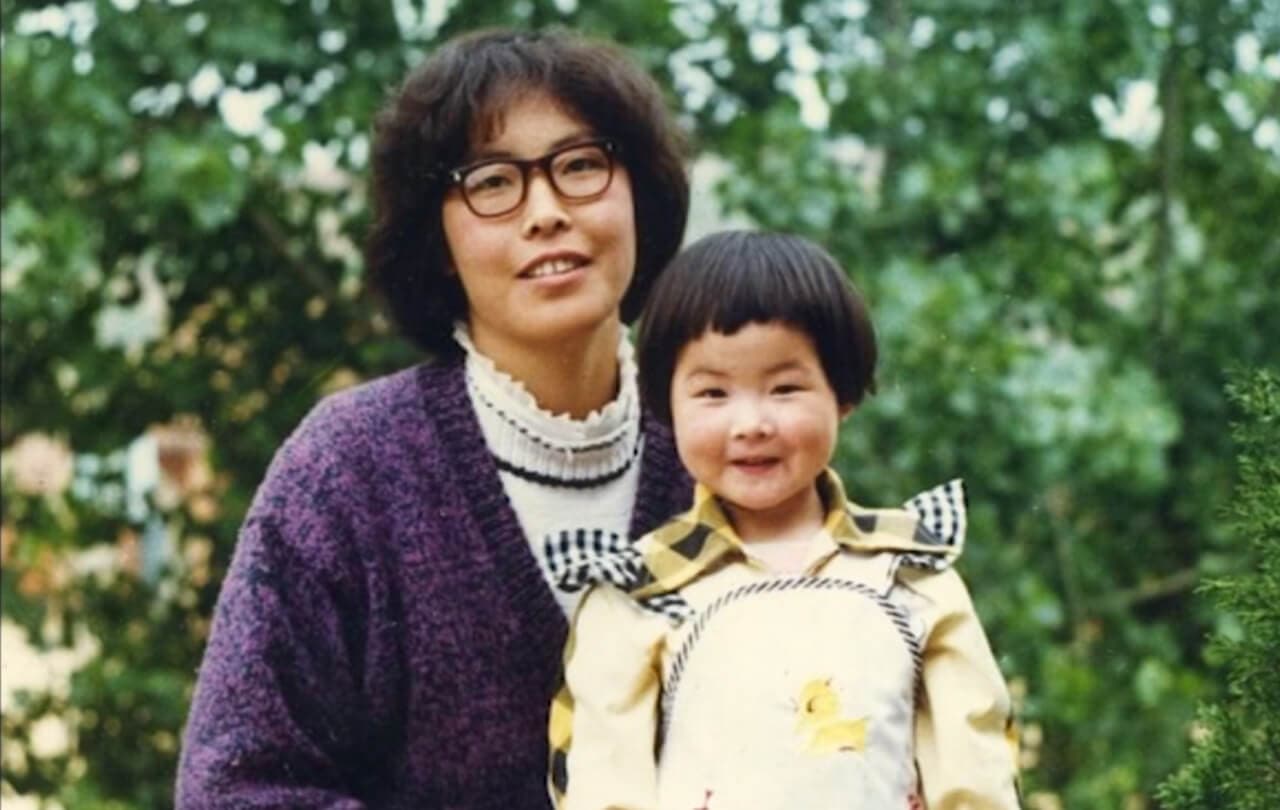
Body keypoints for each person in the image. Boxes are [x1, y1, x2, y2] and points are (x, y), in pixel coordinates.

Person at [176, 28, 692, 808]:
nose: (546, 211)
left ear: (641, 197)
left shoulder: (733, 445)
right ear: (439, 239)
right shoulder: (346, 470)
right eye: (492, 182)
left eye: (581, 165)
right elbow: (236, 788)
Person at [548, 231, 1020, 810]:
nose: (750, 423)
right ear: (666, 404)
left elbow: (977, 769)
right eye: (713, 393)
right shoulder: (640, 591)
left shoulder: (909, 573)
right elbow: (603, 785)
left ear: (842, 394)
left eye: (785, 388)